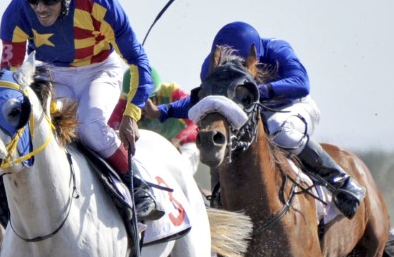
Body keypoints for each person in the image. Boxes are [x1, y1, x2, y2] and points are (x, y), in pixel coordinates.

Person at [0, 0, 164, 221]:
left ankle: (138, 186)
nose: (40, 8)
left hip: (100, 69)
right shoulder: (15, 14)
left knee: (89, 124)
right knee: (38, 124)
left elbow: (137, 62)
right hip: (52, 72)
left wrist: (131, 114)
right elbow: (11, 76)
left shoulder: (99, 2)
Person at [146, 21, 365, 219]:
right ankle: (219, 202)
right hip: (250, 113)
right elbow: (207, 100)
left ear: (255, 56)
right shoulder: (211, 67)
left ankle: (341, 182)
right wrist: (163, 111)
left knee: (279, 129)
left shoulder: (278, 49)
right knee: (224, 140)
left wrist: (257, 91)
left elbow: (302, 83)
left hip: (291, 105)